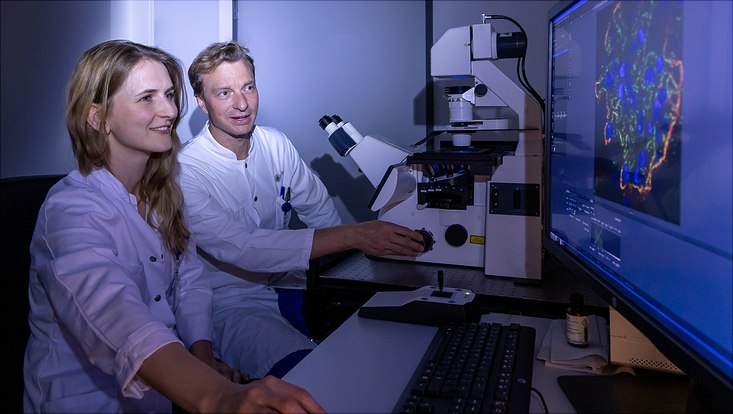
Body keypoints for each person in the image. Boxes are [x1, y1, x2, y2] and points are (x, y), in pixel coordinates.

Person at [23, 39, 324, 413]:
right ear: (98, 117)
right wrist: (218, 395)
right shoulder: (70, 209)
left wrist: (202, 355)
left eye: (168, 94)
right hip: (87, 402)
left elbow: (190, 283)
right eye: (147, 98)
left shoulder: (160, 196)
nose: (168, 110)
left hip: (161, 398)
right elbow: (121, 320)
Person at [177, 41, 425, 378]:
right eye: (224, 93)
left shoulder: (274, 143)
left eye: (248, 87)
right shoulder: (186, 171)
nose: (241, 104)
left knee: (378, 346)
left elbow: (321, 212)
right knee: (311, 375)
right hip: (234, 303)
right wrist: (358, 234)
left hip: (291, 283)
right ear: (202, 103)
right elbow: (247, 248)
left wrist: (349, 274)